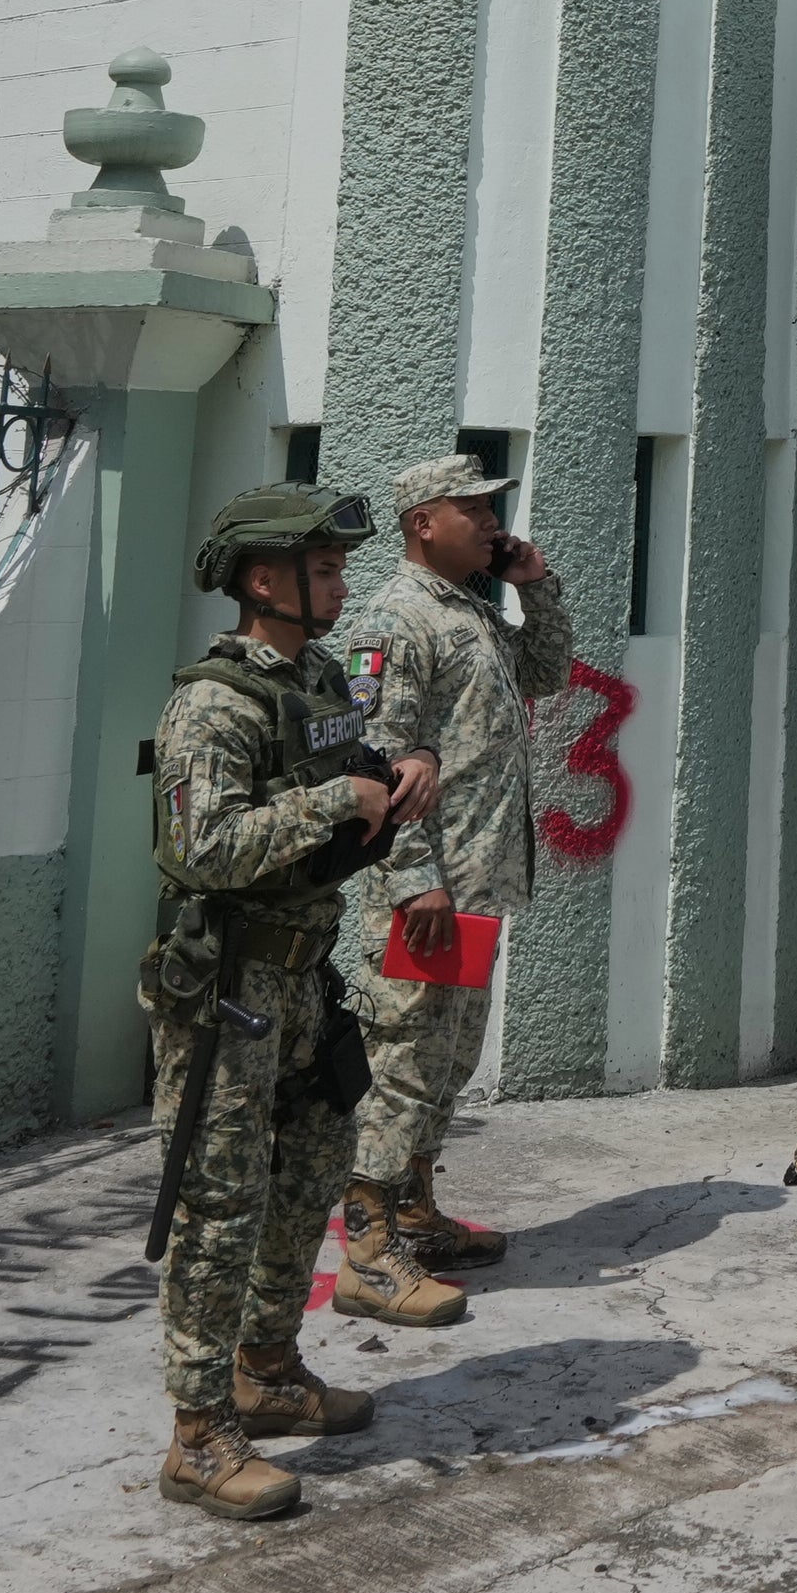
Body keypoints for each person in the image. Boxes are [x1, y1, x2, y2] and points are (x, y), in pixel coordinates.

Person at [146, 482, 415, 1520]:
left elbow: (346, 789)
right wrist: (331, 801)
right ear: (267, 580)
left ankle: (266, 1368)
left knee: (311, 1166)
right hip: (225, 989)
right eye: (326, 569)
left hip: (300, 974)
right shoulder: (213, 701)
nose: (342, 584)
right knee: (219, 1205)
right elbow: (198, 847)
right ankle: (198, 1433)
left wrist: (394, 784)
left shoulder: (312, 677)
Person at [338, 451, 571, 1315]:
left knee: (446, 1057)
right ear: (421, 524)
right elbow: (372, 759)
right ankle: (366, 1253)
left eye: (489, 507)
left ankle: (413, 1212)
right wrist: (412, 878)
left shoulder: (466, 608)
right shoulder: (397, 620)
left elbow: (543, 673)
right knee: (401, 1060)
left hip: (474, 883)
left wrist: (534, 585)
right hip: (428, 890)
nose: (487, 519)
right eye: (468, 507)